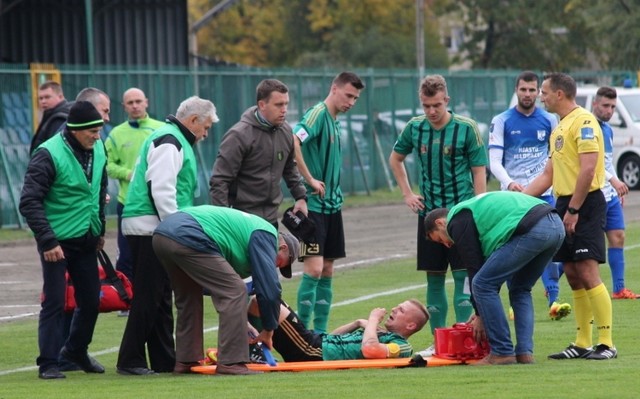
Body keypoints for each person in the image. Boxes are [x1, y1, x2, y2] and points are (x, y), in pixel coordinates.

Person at [116, 96, 219, 376]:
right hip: (151, 227)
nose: (206, 133)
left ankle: (163, 359)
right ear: (194, 120)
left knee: (160, 297)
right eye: (205, 127)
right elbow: (161, 189)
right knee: (149, 297)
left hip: (152, 225)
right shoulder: (171, 140)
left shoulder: (171, 137)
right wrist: (176, 230)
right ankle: (130, 360)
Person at [388, 74, 487, 357]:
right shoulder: (415, 128)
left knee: (462, 279)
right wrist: (407, 193)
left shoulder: (467, 128)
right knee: (433, 279)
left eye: (436, 105)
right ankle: (438, 341)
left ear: (447, 101)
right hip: (430, 217)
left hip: (461, 216)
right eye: (426, 105)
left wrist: (478, 209)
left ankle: (465, 338)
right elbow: (395, 158)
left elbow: (479, 171)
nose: (431, 111)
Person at [523, 72, 615, 360]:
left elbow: (588, 170)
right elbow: (549, 174)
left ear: (559, 94)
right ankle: (582, 342)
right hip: (565, 202)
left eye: (545, 92)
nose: (541, 96)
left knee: (588, 270)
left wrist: (574, 210)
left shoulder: (584, 122)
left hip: (585, 202)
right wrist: (518, 200)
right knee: (573, 274)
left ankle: (606, 343)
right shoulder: (560, 126)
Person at [152, 205, 299, 375]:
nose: (275, 266)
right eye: (280, 263)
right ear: (282, 248)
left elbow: (216, 286)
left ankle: (186, 361)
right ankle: (231, 362)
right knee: (236, 290)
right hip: (188, 234)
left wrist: (242, 323)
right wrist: (268, 331)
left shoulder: (241, 237)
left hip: (163, 235)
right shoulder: (266, 235)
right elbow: (270, 291)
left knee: (189, 296)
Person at [19, 101, 108, 379]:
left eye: (99, 130)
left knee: (92, 300)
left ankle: (76, 351)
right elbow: (29, 201)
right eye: (92, 131)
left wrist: (100, 229)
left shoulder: (99, 148)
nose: (98, 135)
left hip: (86, 237)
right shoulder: (48, 154)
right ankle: (48, 362)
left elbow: (100, 187)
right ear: (75, 130)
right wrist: (47, 241)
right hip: (56, 241)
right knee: (55, 302)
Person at [424, 191, 565, 365]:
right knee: (520, 288)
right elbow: (488, 272)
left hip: (532, 228)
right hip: (556, 226)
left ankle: (502, 352)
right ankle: (524, 353)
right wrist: (480, 310)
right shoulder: (475, 213)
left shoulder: (456, 220)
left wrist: (480, 314)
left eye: (439, 239)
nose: (446, 245)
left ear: (440, 223)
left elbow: (474, 267)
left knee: (482, 284)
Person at [488, 70, 570, 320]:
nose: (528, 94)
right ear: (516, 90)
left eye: (532, 90)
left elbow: (554, 158)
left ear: (538, 92)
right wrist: (510, 182)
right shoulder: (501, 120)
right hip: (512, 198)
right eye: (523, 89)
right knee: (514, 250)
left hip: (543, 195)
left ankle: (554, 300)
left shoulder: (549, 120)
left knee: (550, 246)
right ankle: (515, 303)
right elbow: (493, 161)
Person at [293, 71, 365, 333]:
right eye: (348, 95)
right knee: (313, 270)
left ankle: (321, 335)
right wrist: (309, 179)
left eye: (355, 98)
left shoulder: (335, 121)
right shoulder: (317, 114)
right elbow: (293, 140)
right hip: (312, 208)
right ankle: (302, 333)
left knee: (328, 270)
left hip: (333, 207)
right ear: (334, 89)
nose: (351, 102)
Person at [210, 78, 307, 226]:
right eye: (279, 105)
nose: (284, 109)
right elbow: (219, 181)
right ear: (262, 105)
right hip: (241, 220)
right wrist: (225, 221)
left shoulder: (286, 130)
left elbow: (289, 168)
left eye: (286, 104)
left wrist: (300, 197)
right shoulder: (238, 135)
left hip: (271, 219)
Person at [104, 88, 164, 296]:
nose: (135, 105)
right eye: (130, 103)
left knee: (159, 251)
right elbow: (107, 164)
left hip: (155, 203)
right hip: (127, 203)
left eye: (138, 101)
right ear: (124, 107)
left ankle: (158, 292)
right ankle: (126, 296)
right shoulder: (116, 134)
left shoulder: (160, 129)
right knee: (127, 254)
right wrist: (129, 174)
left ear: (146, 102)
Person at [248, 298, 429, 361]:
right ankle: (251, 348)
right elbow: (331, 338)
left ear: (410, 325)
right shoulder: (378, 333)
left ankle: (252, 350)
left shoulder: (402, 346)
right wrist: (358, 323)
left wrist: (373, 320)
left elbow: (370, 349)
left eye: (401, 310)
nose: (395, 309)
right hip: (316, 344)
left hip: (313, 352)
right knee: (263, 300)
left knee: (267, 300)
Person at [591, 86, 636, 299]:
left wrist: (618, 188)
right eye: (605, 106)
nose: (609, 111)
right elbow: (594, 163)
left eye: (613, 107)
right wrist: (616, 181)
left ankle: (619, 289)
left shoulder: (607, 129)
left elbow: (607, 161)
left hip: (610, 194)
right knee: (586, 250)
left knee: (618, 236)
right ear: (595, 105)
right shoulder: (588, 128)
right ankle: (552, 283)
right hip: (593, 194)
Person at [30, 81, 72, 154]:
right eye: (40, 98)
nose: (43, 101)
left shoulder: (59, 118)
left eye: (47, 97)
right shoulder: (51, 115)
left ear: (60, 97)